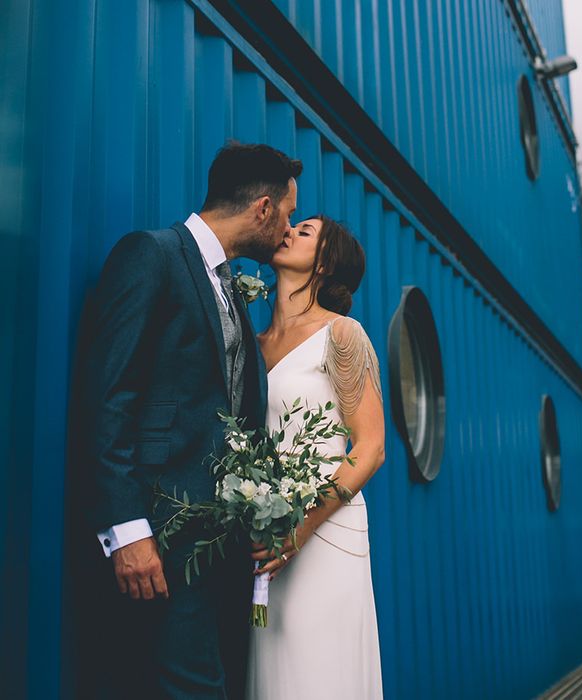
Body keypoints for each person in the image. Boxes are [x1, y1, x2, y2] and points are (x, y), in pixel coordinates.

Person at [75, 142, 301, 698]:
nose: (289, 229)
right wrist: (127, 530)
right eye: (290, 214)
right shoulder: (151, 254)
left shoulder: (230, 286)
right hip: (159, 539)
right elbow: (109, 395)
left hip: (217, 548)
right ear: (264, 209)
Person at [247, 215, 386, 699]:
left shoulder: (342, 335)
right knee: (272, 676)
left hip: (324, 535)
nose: (286, 230)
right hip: (263, 540)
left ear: (325, 263)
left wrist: (298, 529)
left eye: (303, 231)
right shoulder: (253, 345)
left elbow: (370, 447)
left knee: (317, 676)